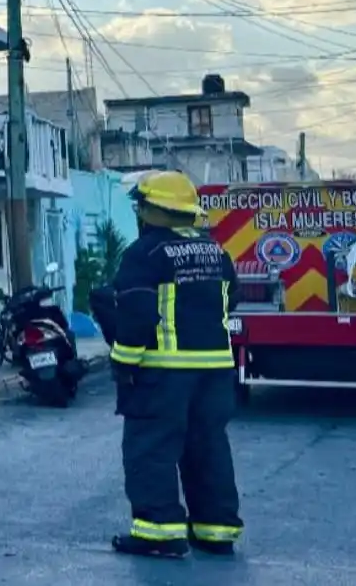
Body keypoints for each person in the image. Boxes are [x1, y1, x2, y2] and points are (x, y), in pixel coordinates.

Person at [109, 170, 243, 560]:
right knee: (209, 447)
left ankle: (159, 533)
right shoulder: (217, 252)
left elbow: (136, 311)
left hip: (163, 372)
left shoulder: (144, 253)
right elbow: (228, 301)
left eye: (141, 206)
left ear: (153, 211)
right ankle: (216, 529)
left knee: (151, 449)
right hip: (216, 371)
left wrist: (124, 361)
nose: (139, 213)